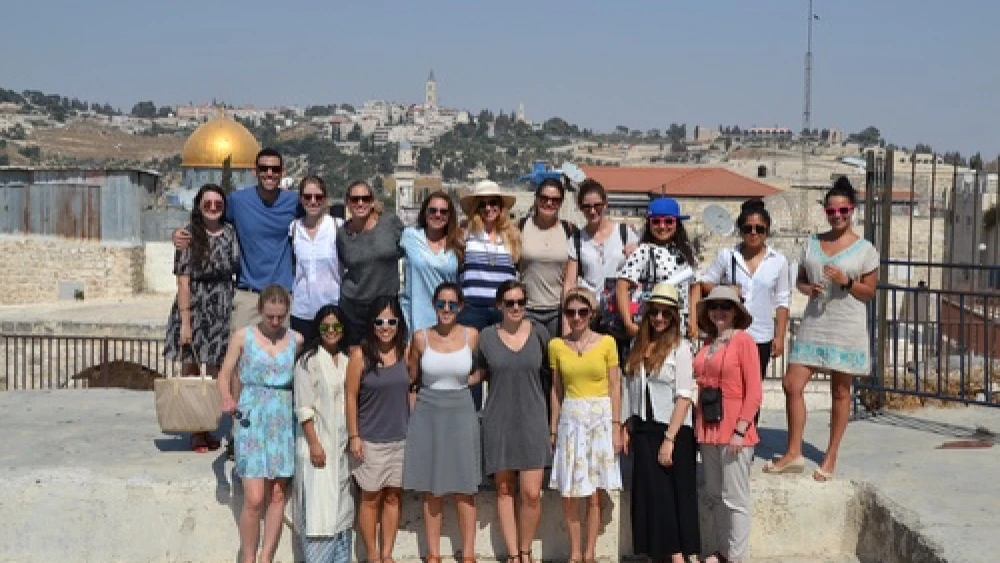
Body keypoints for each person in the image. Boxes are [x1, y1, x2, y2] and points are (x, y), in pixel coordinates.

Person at [765, 177, 879, 482]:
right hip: (815, 322)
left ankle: (831, 455)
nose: (837, 216)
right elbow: (801, 279)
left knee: (840, 392)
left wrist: (847, 281)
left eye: (843, 210)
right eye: (832, 211)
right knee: (792, 384)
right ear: (825, 212)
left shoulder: (865, 250)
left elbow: (869, 292)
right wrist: (807, 287)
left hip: (847, 325)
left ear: (852, 210)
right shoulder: (812, 243)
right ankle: (793, 452)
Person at [217, 285, 303, 563]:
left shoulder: (296, 340)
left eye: (280, 317)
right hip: (252, 416)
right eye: (270, 316)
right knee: (254, 498)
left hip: (281, 418)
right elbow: (224, 373)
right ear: (260, 311)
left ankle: (267, 556)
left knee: (277, 492)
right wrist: (227, 397)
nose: (275, 322)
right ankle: (249, 556)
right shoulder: (243, 337)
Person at [174, 148, 299, 329]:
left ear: (283, 172)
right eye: (263, 169)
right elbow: (210, 219)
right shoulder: (238, 201)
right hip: (248, 296)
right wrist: (180, 233)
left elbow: (317, 219)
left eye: (274, 169)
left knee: (280, 356)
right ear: (254, 171)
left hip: (282, 296)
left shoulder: (294, 202)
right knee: (240, 354)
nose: (269, 173)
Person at [620, 282, 700, 563]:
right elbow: (629, 387)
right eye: (655, 312)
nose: (659, 319)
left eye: (666, 314)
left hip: (672, 429)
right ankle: (661, 555)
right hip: (644, 428)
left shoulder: (681, 348)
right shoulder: (637, 344)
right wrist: (626, 425)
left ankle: (679, 558)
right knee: (652, 497)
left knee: (671, 497)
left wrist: (670, 438)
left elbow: (684, 395)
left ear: (675, 317)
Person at [403, 282, 481, 563]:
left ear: (460, 307)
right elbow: (411, 375)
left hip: (461, 408)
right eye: (441, 304)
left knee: (465, 486)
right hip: (428, 411)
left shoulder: (472, 336)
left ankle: (469, 554)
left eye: (452, 304)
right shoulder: (420, 337)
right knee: (431, 485)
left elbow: (483, 368)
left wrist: (467, 381)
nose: (446, 309)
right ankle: (433, 554)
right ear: (434, 306)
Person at [472, 280, 549, 563]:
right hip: (499, 419)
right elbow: (479, 373)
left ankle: (527, 549)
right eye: (510, 303)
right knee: (504, 490)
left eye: (520, 302)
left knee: (531, 493)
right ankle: (514, 554)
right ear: (499, 306)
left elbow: (552, 379)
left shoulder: (540, 333)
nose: (516, 307)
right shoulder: (487, 337)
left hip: (533, 419)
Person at [547, 287, 621, 563]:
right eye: (570, 312)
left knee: (594, 493)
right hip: (571, 419)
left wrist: (616, 425)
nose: (576, 317)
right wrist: (553, 428)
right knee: (569, 492)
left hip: (600, 418)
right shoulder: (556, 345)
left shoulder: (607, 343)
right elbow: (555, 391)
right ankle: (574, 552)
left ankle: (589, 552)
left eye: (582, 311)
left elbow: (615, 386)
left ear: (591, 313)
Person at [163, 183, 239, 452]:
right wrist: (186, 322)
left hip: (221, 308)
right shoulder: (188, 236)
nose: (213, 208)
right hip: (194, 307)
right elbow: (183, 282)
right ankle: (195, 431)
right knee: (193, 371)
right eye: (208, 203)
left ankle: (207, 425)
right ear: (199, 205)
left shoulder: (230, 233)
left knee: (217, 371)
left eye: (218, 203)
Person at [693, 286, 763, 563]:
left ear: (735, 312)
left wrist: (740, 429)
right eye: (714, 306)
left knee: (736, 499)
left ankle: (737, 557)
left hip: (735, 431)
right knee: (716, 496)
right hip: (708, 430)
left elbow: (754, 392)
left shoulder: (744, 341)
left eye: (726, 306)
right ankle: (724, 551)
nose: (719, 311)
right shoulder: (708, 343)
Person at [345, 296, 410, 563]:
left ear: (398, 324)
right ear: (372, 324)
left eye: (391, 321)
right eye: (380, 321)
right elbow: (350, 396)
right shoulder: (360, 355)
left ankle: (387, 554)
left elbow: (413, 389)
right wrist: (354, 436)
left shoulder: (406, 352)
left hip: (400, 438)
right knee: (370, 498)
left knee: (393, 497)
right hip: (370, 440)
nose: (385, 327)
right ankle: (372, 555)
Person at [699, 199, 790, 384]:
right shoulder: (728, 256)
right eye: (748, 228)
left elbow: (782, 301)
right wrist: (724, 290)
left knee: (753, 390)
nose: (753, 233)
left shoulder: (778, 261)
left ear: (767, 230)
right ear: (741, 230)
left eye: (759, 228)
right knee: (726, 386)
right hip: (728, 332)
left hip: (761, 336)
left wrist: (779, 337)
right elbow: (705, 283)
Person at [291, 305, 354, 563]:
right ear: (318, 328)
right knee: (318, 511)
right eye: (326, 326)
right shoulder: (308, 361)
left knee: (340, 512)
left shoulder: (348, 360)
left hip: (341, 448)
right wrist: (314, 443)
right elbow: (304, 408)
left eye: (336, 326)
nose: (331, 331)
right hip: (316, 447)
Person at [458, 180, 520, 409]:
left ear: (501, 207)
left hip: (501, 310)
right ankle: (471, 420)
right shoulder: (465, 234)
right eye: (482, 204)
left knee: (500, 367)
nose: (488, 208)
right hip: (472, 309)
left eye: (493, 203)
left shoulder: (512, 237)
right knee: (471, 368)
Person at [562, 179, 639, 364]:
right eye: (586, 206)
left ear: (605, 204)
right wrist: (567, 326)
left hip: (620, 312)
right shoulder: (577, 240)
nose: (592, 210)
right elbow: (570, 283)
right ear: (581, 208)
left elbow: (638, 271)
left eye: (597, 205)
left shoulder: (624, 233)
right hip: (591, 315)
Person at [616, 196, 699, 342]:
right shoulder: (643, 251)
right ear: (649, 223)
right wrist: (628, 323)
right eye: (656, 221)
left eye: (668, 221)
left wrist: (693, 320)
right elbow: (622, 286)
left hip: (681, 329)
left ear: (677, 223)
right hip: (651, 329)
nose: (662, 226)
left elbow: (695, 285)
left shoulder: (687, 251)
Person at [337, 180, 405, 348]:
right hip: (353, 308)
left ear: (372, 201)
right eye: (355, 199)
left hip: (386, 306)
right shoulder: (342, 234)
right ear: (347, 203)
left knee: (388, 354)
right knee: (356, 356)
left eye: (365, 198)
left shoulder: (390, 223)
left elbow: (409, 248)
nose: (360, 203)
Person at [518, 178, 575, 338]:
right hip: (526, 309)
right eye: (544, 198)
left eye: (555, 200)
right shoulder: (521, 227)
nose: (549, 203)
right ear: (536, 199)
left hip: (557, 311)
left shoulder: (569, 231)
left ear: (561, 202)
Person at [289, 176, 343, 343]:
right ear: (301, 199)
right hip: (301, 311)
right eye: (307, 197)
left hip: (331, 309)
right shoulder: (294, 229)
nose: (313, 201)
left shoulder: (337, 227)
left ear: (325, 199)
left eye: (318, 197)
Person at [400, 192, 462, 334]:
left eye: (443, 211)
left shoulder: (458, 244)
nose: (438, 215)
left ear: (450, 216)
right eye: (433, 210)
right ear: (424, 212)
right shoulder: (409, 236)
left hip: (447, 318)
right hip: (414, 320)